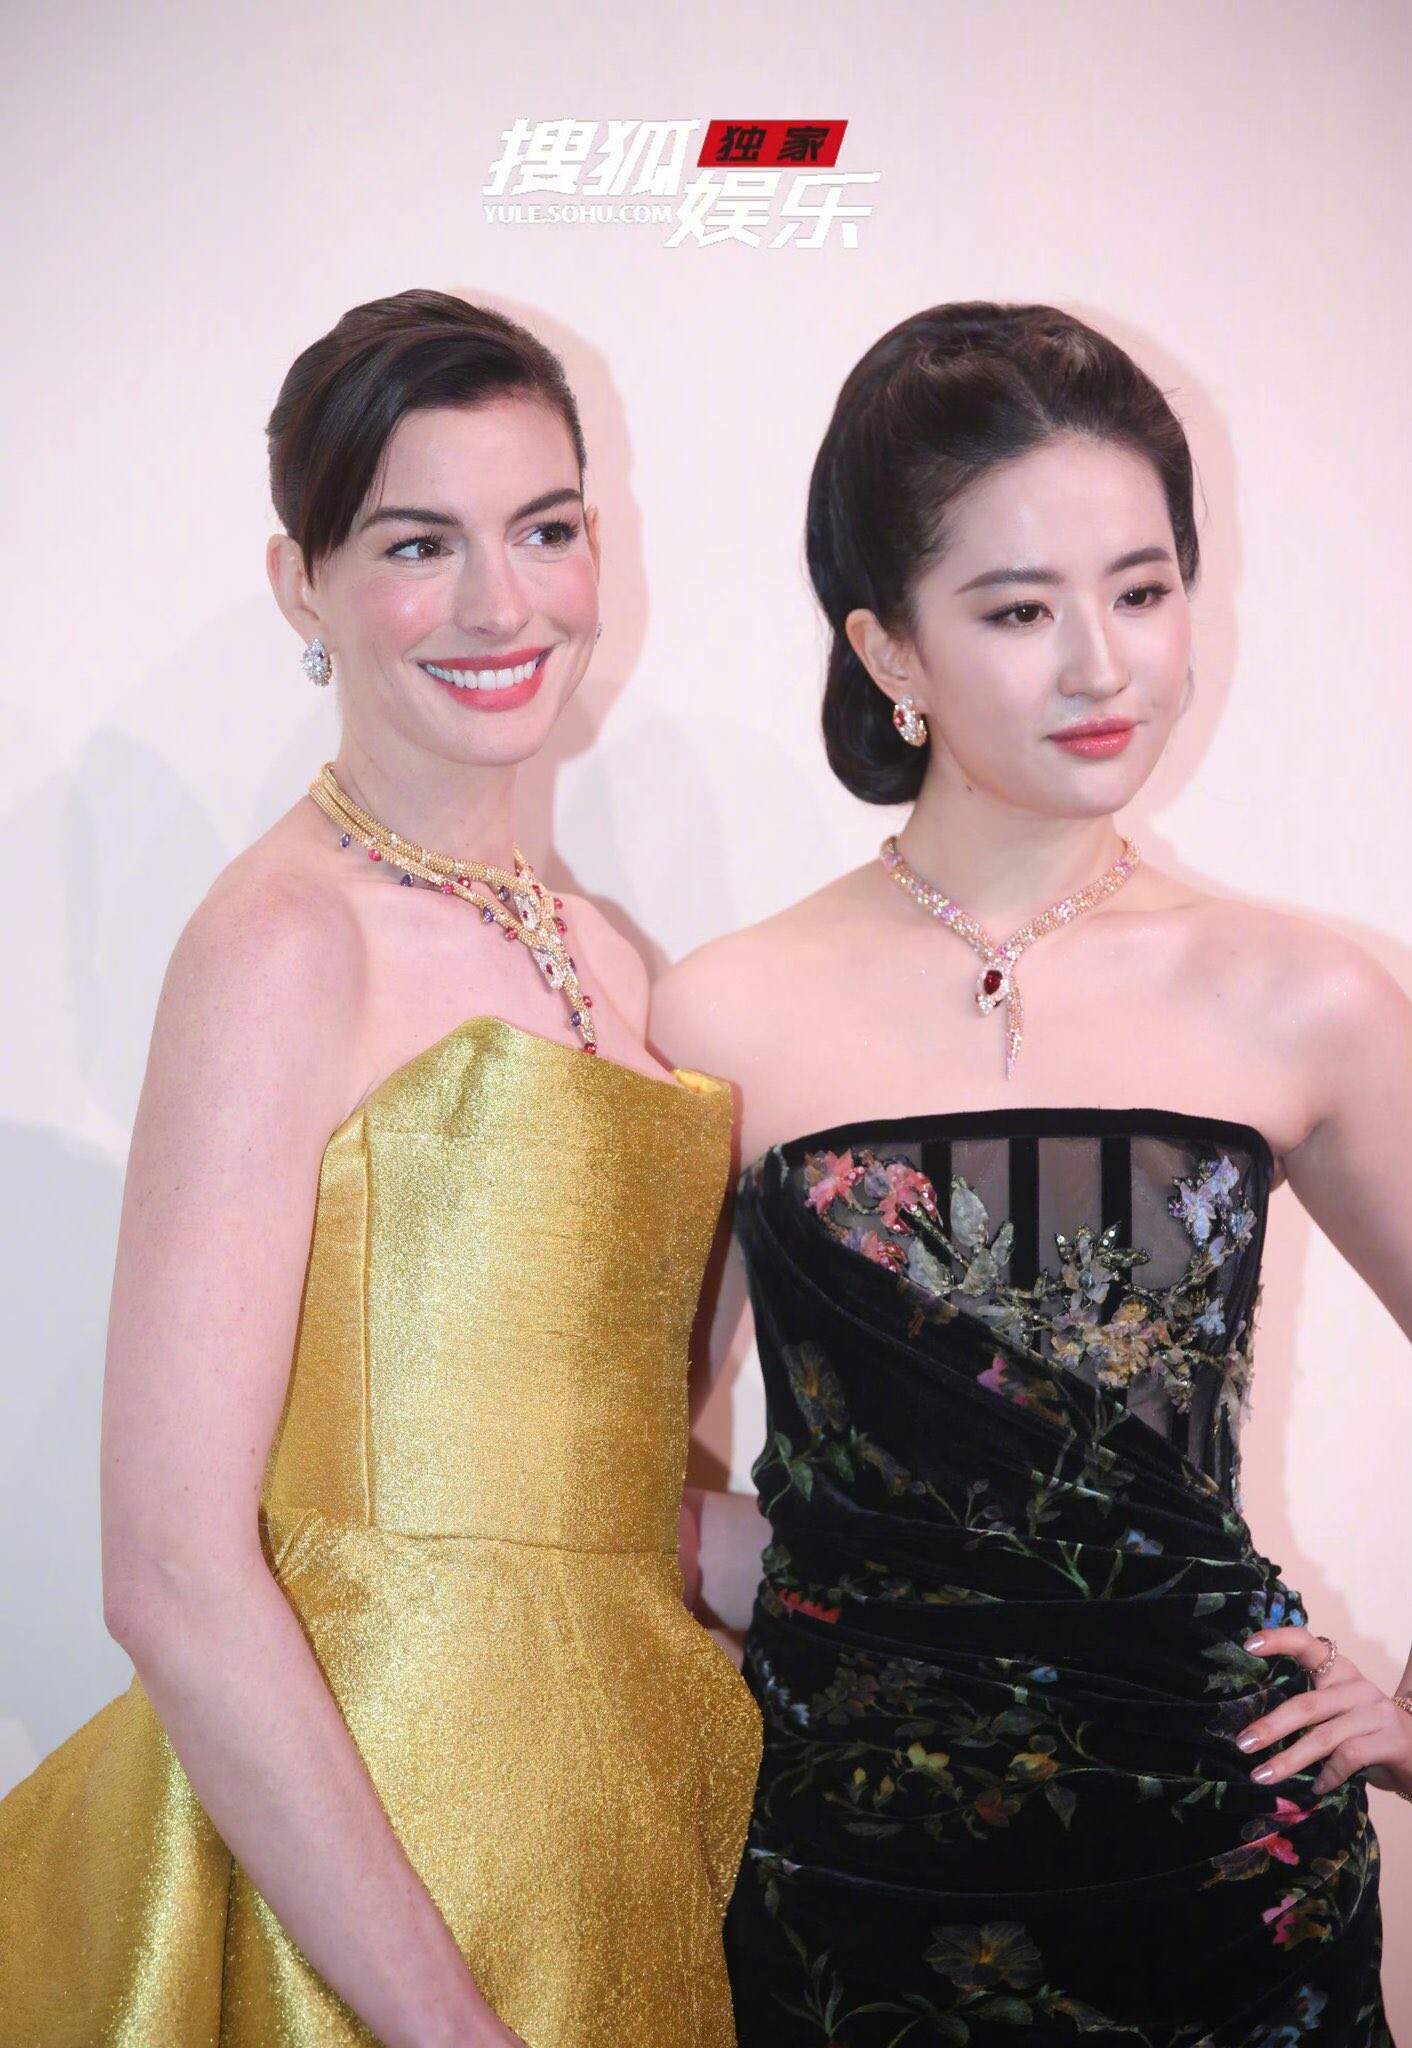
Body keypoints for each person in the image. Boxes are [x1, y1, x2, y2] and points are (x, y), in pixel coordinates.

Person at [0, 288, 760, 2048]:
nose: (503, 605)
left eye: (546, 529)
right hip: (371, 1856)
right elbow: (171, 1574)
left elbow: (590, 1479)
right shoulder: (283, 943)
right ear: (305, 586)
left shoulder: (608, 952)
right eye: (421, 545)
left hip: (609, 1806)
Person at [654, 303, 1409, 2045]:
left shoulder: (1305, 998)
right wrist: (796, 1575)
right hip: (852, 1887)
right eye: (1017, 610)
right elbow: (611, 1449)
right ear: (888, 648)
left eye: (1143, 590)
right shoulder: (720, 1011)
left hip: (1227, 1872)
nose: (1103, 667)